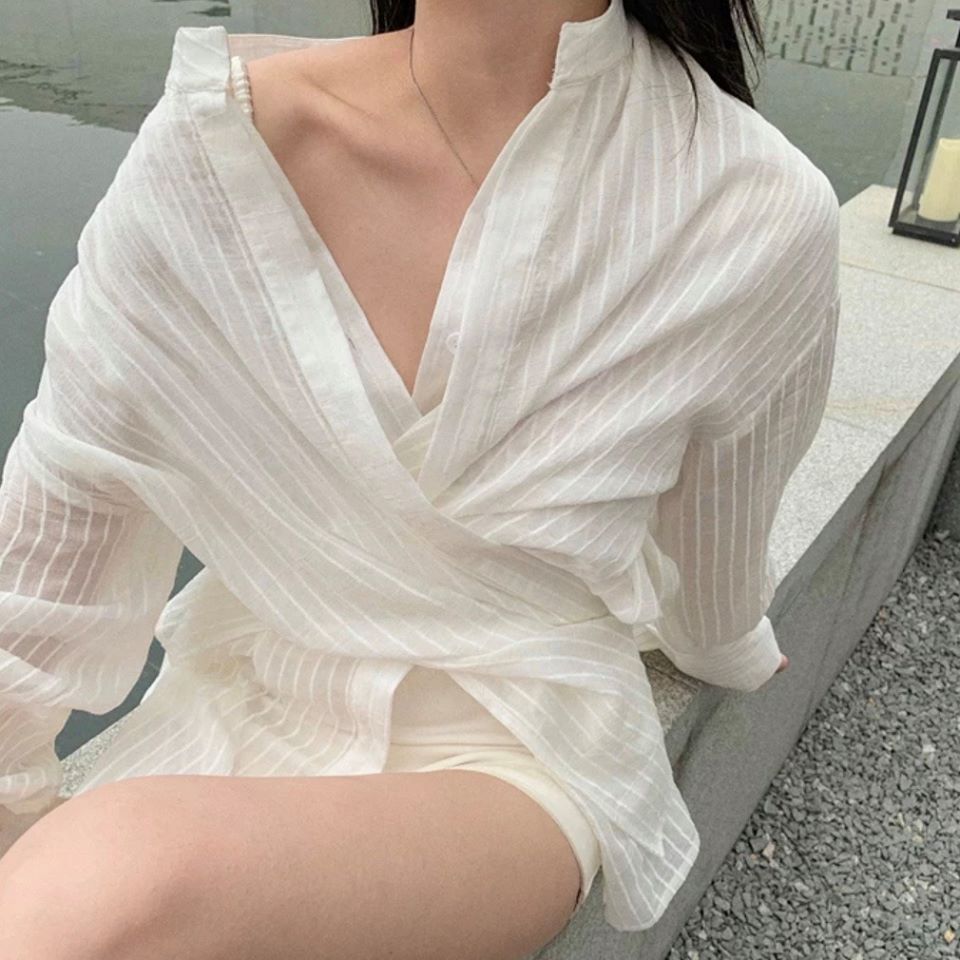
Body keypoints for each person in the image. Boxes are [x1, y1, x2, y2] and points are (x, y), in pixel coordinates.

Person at [0, 0, 834, 956]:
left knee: (120, 875)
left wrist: (727, 644)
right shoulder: (211, 147)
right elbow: (51, 545)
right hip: (239, 705)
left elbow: (715, 558)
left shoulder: (754, 209)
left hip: (508, 746)